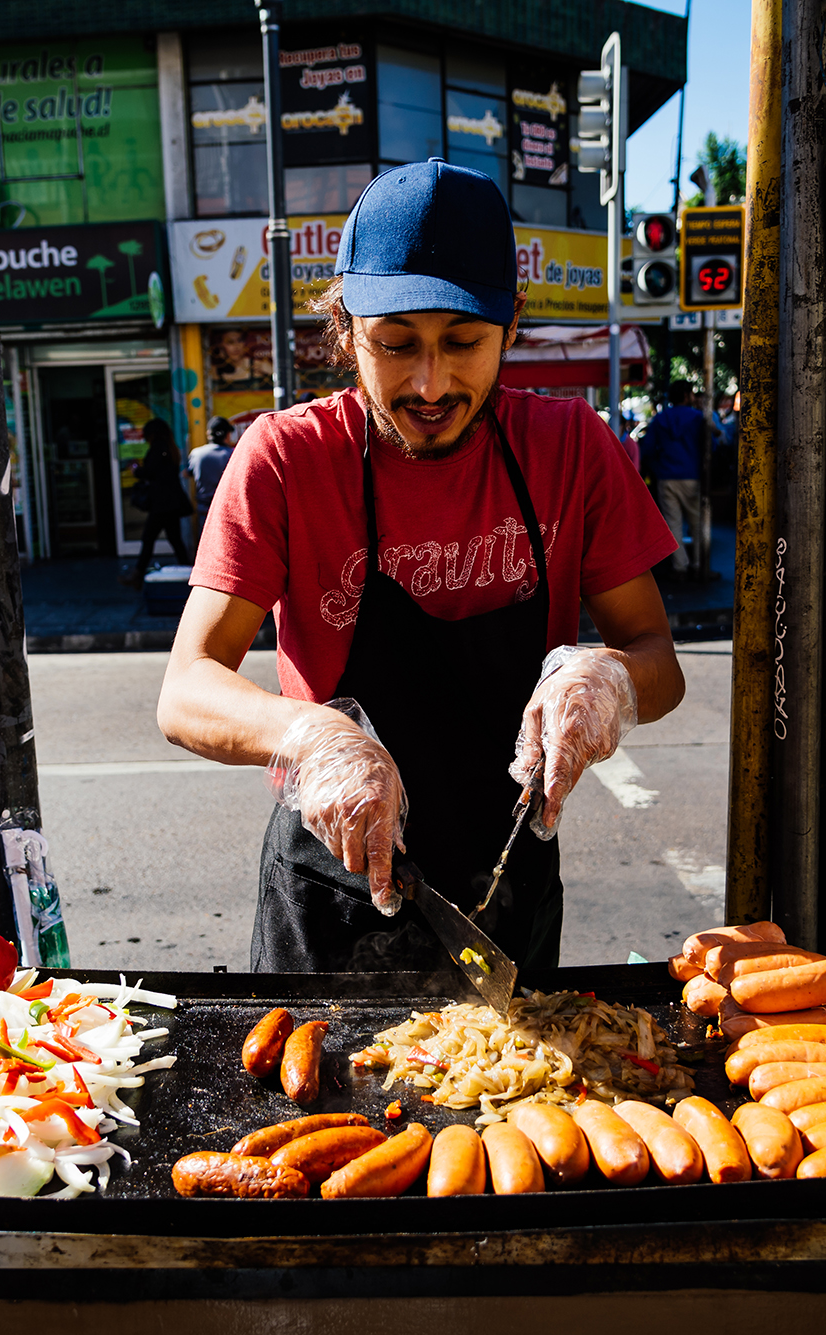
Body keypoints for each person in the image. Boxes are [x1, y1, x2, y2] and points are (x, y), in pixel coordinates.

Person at [158, 158, 683, 974]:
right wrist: (309, 733)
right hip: (331, 898)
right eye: (395, 345)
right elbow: (186, 687)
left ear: (511, 328)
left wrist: (609, 675)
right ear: (345, 334)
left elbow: (660, 659)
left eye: (464, 343)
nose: (430, 383)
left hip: (509, 883)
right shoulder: (286, 459)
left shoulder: (572, 448)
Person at [644, 383, 710, 578]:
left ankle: (680, 566)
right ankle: (698, 564)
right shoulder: (698, 418)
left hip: (667, 476)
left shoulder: (661, 418)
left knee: (673, 524)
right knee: (697, 522)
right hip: (693, 475)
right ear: (686, 395)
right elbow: (710, 446)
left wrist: (657, 469)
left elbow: (648, 448)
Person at [124, 418, 192, 587]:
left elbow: (150, 472)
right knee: (174, 539)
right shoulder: (169, 448)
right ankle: (189, 573)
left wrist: (135, 470)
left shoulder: (158, 449)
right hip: (170, 502)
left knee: (149, 538)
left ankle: (137, 576)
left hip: (162, 504)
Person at [188, 416, 236, 530]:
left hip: (204, 509)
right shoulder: (233, 455)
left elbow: (188, 473)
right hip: (227, 510)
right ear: (227, 434)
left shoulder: (197, 454)